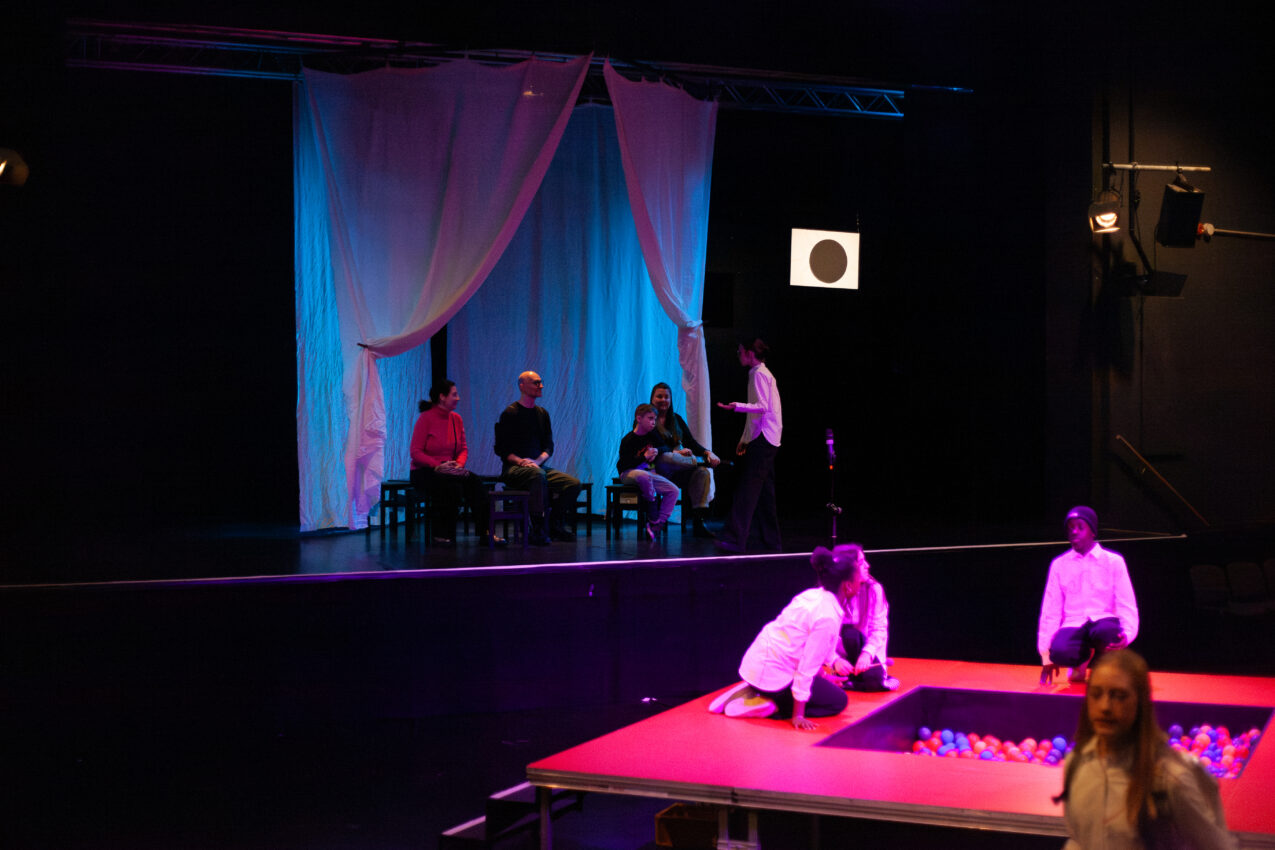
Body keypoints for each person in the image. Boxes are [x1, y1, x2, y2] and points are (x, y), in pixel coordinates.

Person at [1054, 649, 1236, 850]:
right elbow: (1078, 840)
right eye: (1096, 694)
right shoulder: (1076, 764)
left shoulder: (1169, 779)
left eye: (1119, 696)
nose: (1105, 706)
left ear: (1140, 702)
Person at [707, 545, 859, 730]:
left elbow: (802, 647)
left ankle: (753, 689)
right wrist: (798, 715)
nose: (861, 580)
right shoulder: (827, 616)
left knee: (824, 689)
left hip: (756, 665)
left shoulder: (812, 595)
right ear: (847, 585)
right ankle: (771, 705)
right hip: (775, 675)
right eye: (858, 577)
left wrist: (825, 674)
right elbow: (807, 666)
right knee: (838, 701)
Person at [1038, 506, 1139, 684]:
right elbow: (1051, 609)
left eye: (1080, 526)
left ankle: (1108, 666)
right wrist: (1046, 654)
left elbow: (1126, 602)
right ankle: (1081, 660)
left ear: (1092, 531)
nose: (1074, 531)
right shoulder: (1060, 565)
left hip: (1103, 620)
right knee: (1059, 652)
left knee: (1108, 633)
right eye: (1070, 527)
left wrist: (1128, 633)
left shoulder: (1113, 561)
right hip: (1074, 622)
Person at [409, 379, 505, 547]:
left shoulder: (456, 419)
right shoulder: (426, 419)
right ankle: (442, 534)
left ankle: (486, 532)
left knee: (476, 483)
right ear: (442, 397)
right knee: (451, 488)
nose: (458, 398)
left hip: (450, 470)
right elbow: (415, 452)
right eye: (454, 394)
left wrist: (459, 464)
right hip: (426, 470)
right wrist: (436, 465)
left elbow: (463, 449)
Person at [493, 370, 582, 546]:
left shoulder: (542, 414)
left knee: (573, 483)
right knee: (537, 475)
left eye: (540, 382)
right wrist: (521, 461)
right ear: (522, 386)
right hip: (514, 468)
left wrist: (537, 461)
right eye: (536, 382)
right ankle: (538, 528)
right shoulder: (510, 413)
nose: (541, 386)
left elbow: (548, 446)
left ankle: (553, 524)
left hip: (537, 467)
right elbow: (502, 449)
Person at [714, 338, 783, 553]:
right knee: (764, 493)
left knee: (748, 489)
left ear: (750, 353)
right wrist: (745, 438)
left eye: (740, 351)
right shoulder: (758, 372)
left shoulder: (759, 373)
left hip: (764, 437)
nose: (738, 355)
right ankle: (771, 541)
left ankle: (734, 538)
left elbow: (762, 407)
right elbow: (756, 414)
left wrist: (736, 406)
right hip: (765, 436)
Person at [649, 382, 720, 538]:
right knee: (667, 457)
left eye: (666, 397)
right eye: (659, 396)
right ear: (652, 399)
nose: (663, 400)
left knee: (702, 473)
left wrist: (707, 452)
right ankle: (698, 462)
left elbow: (691, 443)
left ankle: (699, 522)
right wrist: (675, 452)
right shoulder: (646, 418)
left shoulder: (676, 419)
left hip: (677, 470)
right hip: (656, 469)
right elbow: (649, 447)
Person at [833, 544, 898, 692]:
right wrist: (835, 659)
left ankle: (851, 682)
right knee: (849, 634)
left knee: (876, 683)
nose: (868, 566)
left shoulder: (873, 590)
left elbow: (878, 628)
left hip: (865, 650)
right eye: (861, 562)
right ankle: (847, 680)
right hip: (839, 655)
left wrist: (866, 654)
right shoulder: (830, 592)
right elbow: (823, 635)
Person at [617, 403, 681, 542]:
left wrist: (657, 450)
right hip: (629, 473)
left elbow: (666, 447)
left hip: (647, 474)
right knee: (644, 475)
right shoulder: (628, 440)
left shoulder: (652, 435)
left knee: (674, 490)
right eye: (650, 418)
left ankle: (657, 524)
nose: (653, 422)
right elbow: (623, 465)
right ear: (639, 418)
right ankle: (652, 513)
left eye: (654, 419)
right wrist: (644, 457)